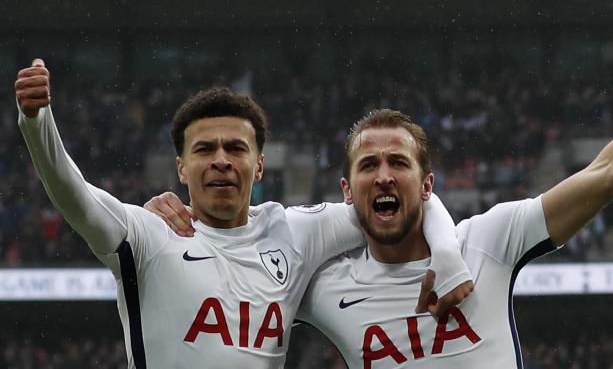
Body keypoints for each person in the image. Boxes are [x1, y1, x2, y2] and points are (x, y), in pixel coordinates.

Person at [149, 28, 613, 368]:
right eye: (368, 165)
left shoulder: (489, 241)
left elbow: (609, 172)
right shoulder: (321, 285)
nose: (384, 175)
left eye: (399, 163)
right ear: (347, 192)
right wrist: (168, 224)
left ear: (428, 183)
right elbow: (235, 266)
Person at [14, 67, 473, 369]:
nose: (221, 160)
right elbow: (76, 197)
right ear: (181, 168)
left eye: (236, 148)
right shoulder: (150, 236)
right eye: (204, 149)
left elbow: (401, 199)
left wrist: (447, 254)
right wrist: (36, 123)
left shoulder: (295, 232)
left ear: (259, 165)